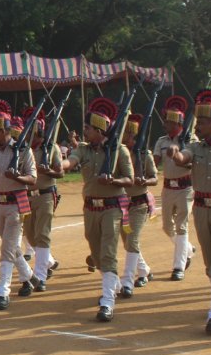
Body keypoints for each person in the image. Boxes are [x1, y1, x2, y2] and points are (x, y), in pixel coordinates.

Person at [62, 97, 133, 322]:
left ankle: (107, 301)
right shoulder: (84, 150)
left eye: (88, 129)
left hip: (112, 208)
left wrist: (112, 181)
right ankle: (113, 284)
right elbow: (71, 161)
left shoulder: (119, 150)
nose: (84, 132)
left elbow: (130, 180)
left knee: (108, 252)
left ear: (100, 130)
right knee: (96, 252)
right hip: (90, 208)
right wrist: (60, 164)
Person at [166, 89, 211, 335]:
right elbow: (183, 157)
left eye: (202, 122)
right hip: (201, 208)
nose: (198, 126)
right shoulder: (196, 147)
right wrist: (175, 154)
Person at [0, 101, 39, 311]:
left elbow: (33, 178)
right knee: (13, 247)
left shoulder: (23, 151)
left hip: (17, 204)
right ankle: (28, 277)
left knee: (6, 249)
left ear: (6, 130)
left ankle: (3, 291)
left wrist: (18, 176)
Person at [152, 95, 198, 281]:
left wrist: (180, 154)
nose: (165, 124)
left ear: (178, 122)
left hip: (186, 188)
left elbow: (192, 164)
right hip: (167, 187)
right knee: (166, 226)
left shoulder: (190, 140)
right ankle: (187, 248)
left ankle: (178, 266)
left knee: (181, 226)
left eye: (169, 121)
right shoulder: (162, 141)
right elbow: (154, 162)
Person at [23, 106, 63, 292]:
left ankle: (40, 276)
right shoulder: (23, 150)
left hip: (46, 193)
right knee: (30, 235)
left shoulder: (51, 147)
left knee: (42, 235)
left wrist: (48, 170)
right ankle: (48, 262)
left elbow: (60, 172)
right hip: (27, 196)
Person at [118, 114, 157, 298]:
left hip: (139, 203)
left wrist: (144, 180)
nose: (124, 136)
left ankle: (127, 282)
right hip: (122, 203)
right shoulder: (120, 152)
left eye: (127, 133)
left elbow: (154, 178)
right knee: (127, 242)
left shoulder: (145, 154)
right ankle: (144, 271)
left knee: (132, 240)